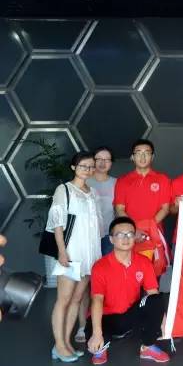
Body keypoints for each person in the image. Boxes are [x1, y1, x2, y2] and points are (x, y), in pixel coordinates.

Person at [86, 217, 170, 364]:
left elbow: (153, 293)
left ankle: (147, 347)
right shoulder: (100, 266)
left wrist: (163, 322)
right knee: (96, 341)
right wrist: (97, 333)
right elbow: (97, 300)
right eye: (120, 234)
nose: (126, 238)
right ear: (111, 239)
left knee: (157, 299)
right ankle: (101, 347)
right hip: (107, 318)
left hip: (130, 315)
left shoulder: (143, 262)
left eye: (130, 234)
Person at [49, 152, 102, 362]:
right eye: (83, 166)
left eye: (91, 166)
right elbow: (57, 223)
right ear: (73, 167)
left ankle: (66, 344)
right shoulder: (64, 189)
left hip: (90, 254)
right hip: (72, 253)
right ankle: (59, 345)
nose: (87, 170)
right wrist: (62, 251)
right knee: (63, 299)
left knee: (78, 299)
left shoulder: (93, 192)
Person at [76, 146, 117, 344]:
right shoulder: (85, 181)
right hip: (87, 240)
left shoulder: (117, 183)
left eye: (106, 159)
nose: (102, 163)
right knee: (85, 284)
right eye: (98, 159)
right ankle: (82, 326)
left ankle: (104, 324)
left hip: (109, 239)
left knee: (106, 284)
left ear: (111, 163)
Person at [114, 139, 171, 277]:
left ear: (152, 156)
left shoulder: (162, 179)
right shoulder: (123, 181)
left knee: (153, 276)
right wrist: (134, 230)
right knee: (130, 276)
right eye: (138, 153)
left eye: (147, 153)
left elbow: (165, 208)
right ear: (132, 157)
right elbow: (120, 209)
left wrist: (148, 229)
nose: (143, 156)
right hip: (129, 236)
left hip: (154, 235)